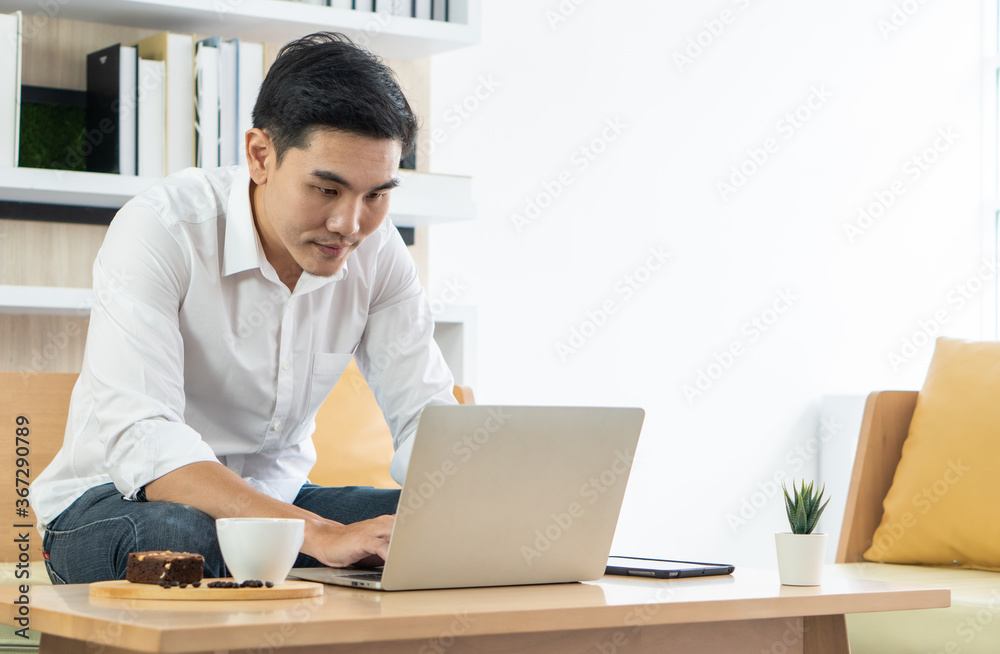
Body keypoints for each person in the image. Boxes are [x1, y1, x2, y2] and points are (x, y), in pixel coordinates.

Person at [29, 32, 457, 584]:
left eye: (376, 195)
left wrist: (463, 500)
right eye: (327, 190)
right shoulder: (161, 229)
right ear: (261, 155)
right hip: (116, 501)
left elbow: (426, 413)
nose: (350, 225)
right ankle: (296, 551)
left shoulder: (377, 251)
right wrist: (320, 535)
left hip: (281, 502)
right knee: (181, 538)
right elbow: (146, 442)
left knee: (436, 526)